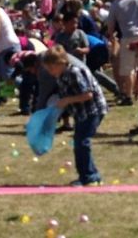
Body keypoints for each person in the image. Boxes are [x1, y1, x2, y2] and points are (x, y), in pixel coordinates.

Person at [42, 46, 107, 186]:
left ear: (59, 63)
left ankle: (90, 177)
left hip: (93, 110)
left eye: (50, 68)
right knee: (80, 143)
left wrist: (67, 100)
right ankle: (90, 175)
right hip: (81, 113)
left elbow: (88, 94)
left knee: (82, 143)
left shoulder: (75, 72)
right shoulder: (61, 75)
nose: (50, 72)